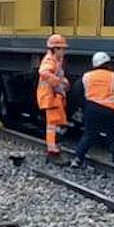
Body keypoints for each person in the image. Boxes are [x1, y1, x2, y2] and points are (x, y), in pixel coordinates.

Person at [37, 33, 70, 163]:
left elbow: (57, 76)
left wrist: (63, 82)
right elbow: (43, 72)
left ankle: (54, 147)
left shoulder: (56, 60)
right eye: (62, 48)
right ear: (55, 49)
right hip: (49, 96)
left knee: (56, 122)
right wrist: (59, 82)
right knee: (52, 124)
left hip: (53, 96)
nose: (64, 51)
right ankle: (52, 150)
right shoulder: (50, 60)